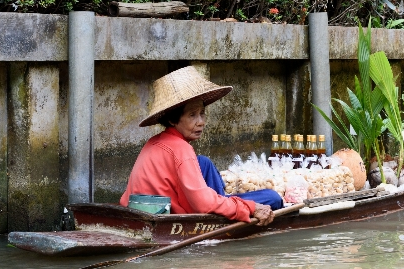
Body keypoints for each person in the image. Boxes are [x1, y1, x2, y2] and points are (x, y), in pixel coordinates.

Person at [119, 66, 283, 226]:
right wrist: (250, 207)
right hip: (169, 213)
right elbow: (202, 205)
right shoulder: (181, 149)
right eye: (192, 115)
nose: (201, 122)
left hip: (149, 207)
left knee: (203, 162)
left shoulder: (154, 142)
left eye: (202, 113)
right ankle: (224, 208)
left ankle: (223, 201)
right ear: (172, 120)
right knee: (272, 197)